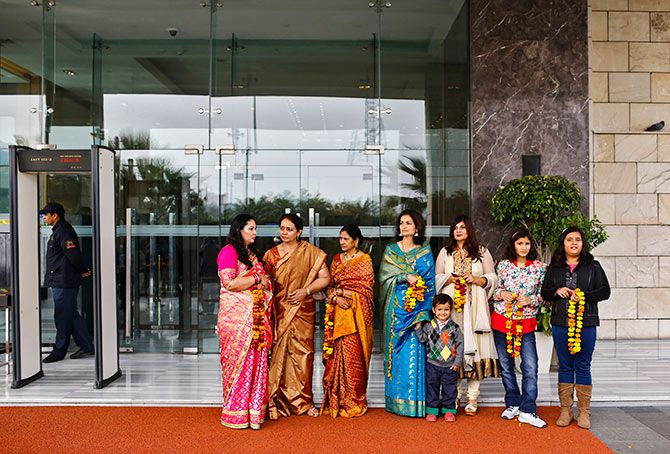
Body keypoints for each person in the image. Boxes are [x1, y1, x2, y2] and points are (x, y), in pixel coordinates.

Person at [541, 227, 610, 430]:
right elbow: (545, 292)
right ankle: (565, 410)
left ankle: (584, 412)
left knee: (583, 364)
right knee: (565, 365)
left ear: (583, 243)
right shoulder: (554, 268)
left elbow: (605, 291)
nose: (573, 243)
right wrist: (557, 291)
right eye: (569, 240)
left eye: (577, 240)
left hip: (586, 322)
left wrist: (585, 296)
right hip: (560, 322)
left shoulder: (593, 266)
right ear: (563, 243)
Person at [263, 213, 330, 419]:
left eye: (289, 229)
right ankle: (274, 401)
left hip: (302, 311)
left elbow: (325, 278)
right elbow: (263, 280)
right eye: (282, 228)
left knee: (303, 356)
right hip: (279, 311)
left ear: (299, 232)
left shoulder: (311, 253)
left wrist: (306, 291)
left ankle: (303, 401)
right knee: (277, 356)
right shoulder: (271, 255)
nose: (284, 232)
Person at [434, 214, 498, 416]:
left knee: (475, 348)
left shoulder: (481, 251)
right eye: (455, 227)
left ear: (469, 229)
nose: (458, 230)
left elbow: (493, 278)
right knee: (453, 349)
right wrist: (450, 279)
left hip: (476, 307)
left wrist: (476, 279)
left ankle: (472, 398)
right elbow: (436, 278)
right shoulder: (446, 252)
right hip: (452, 310)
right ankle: (454, 397)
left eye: (462, 227)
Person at [217, 214, 272, 429]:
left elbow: (264, 283)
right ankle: (236, 413)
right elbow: (229, 283)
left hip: (256, 318)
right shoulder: (228, 252)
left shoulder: (253, 255)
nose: (255, 233)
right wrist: (258, 279)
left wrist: (263, 283)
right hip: (236, 320)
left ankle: (254, 412)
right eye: (250, 228)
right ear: (239, 230)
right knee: (238, 363)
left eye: (255, 228)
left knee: (258, 362)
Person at [380, 209, 434, 417]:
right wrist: (404, 276)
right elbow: (384, 279)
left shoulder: (424, 251)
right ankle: (395, 403)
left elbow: (429, 283)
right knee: (397, 355)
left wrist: (424, 313)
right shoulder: (391, 251)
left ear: (417, 227)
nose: (404, 226)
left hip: (417, 310)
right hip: (396, 310)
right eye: (401, 223)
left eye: (408, 223)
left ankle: (414, 404)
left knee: (414, 354)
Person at [492, 229, 547, 428]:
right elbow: (495, 289)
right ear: (513, 245)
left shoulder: (540, 268)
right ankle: (513, 402)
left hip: (526, 322)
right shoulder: (504, 266)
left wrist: (530, 299)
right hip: (502, 320)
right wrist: (502, 294)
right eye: (519, 243)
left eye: (527, 244)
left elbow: (544, 295)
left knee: (530, 366)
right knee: (506, 366)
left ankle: (528, 408)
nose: (523, 247)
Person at [322, 224, 374, 418]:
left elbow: (367, 292)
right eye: (340, 238)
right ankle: (336, 399)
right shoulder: (336, 260)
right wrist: (335, 297)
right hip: (337, 316)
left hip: (355, 316)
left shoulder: (365, 260)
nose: (341, 242)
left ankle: (353, 401)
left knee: (353, 358)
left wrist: (343, 292)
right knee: (335, 358)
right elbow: (329, 287)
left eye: (345, 239)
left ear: (356, 241)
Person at [40, 203, 94, 363]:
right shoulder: (57, 231)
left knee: (62, 315)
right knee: (71, 314)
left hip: (64, 280)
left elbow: (73, 254)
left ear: (55, 215)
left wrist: (83, 269)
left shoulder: (63, 231)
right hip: (60, 279)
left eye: (46, 215)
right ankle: (86, 346)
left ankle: (59, 350)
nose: (44, 217)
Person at [415, 293, 463, 423]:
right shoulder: (429, 326)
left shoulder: (454, 328)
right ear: (434, 310)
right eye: (440, 309)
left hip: (449, 365)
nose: (443, 312)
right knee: (432, 388)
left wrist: (458, 362)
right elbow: (423, 339)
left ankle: (449, 410)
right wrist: (418, 328)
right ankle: (432, 411)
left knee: (449, 389)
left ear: (450, 310)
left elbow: (460, 345)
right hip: (432, 364)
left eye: (446, 309)